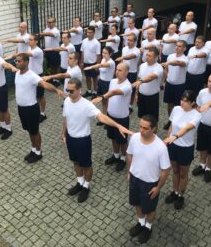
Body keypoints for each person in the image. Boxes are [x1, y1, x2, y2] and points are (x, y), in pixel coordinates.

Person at [62, 78, 132, 203]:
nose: (69, 93)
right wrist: (64, 133)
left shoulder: (87, 105)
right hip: (71, 138)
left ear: (79, 90)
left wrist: (117, 125)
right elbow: (65, 118)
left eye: (71, 91)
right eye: (67, 90)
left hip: (83, 140)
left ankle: (86, 186)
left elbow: (102, 117)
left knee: (86, 165)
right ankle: (80, 182)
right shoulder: (67, 101)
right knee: (76, 162)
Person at [127, 115, 171, 244]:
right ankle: (141, 223)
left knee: (150, 209)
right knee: (137, 203)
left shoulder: (160, 148)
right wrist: (129, 172)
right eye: (140, 126)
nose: (141, 130)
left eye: (145, 128)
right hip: (135, 178)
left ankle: (148, 227)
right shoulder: (134, 138)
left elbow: (166, 170)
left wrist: (158, 187)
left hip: (150, 183)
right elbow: (129, 155)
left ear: (154, 129)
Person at [14, 53, 65, 163]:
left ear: (26, 62)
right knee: (29, 131)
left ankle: (38, 152)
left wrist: (57, 90)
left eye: (19, 61)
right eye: (16, 61)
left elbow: (45, 84)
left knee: (34, 131)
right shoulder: (17, 73)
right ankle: (33, 149)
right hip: (21, 108)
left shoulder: (32, 75)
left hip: (31, 109)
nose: (17, 63)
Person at [163, 90, 201, 210]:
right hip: (173, 145)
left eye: (186, 101)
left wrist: (175, 136)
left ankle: (180, 195)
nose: (182, 103)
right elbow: (172, 126)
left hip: (186, 148)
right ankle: (174, 191)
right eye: (182, 100)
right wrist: (168, 138)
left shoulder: (196, 115)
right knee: (175, 170)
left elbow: (187, 128)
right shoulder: (176, 109)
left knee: (183, 173)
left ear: (192, 103)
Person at [92, 63, 132, 172]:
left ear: (126, 72)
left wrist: (101, 97)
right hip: (111, 116)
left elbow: (114, 92)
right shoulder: (113, 81)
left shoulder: (127, 86)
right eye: (117, 70)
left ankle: (123, 158)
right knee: (113, 138)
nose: (117, 72)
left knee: (122, 141)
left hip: (122, 118)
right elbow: (110, 96)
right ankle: (115, 155)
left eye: (120, 70)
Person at [6, 35, 48, 122]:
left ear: (36, 41)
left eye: (31, 40)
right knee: (34, 96)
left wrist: (13, 56)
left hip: (37, 75)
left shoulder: (38, 51)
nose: (29, 41)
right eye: (29, 40)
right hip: (29, 76)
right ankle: (36, 112)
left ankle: (43, 113)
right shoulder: (29, 48)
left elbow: (26, 54)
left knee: (40, 96)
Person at [84, 46, 115, 124]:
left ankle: (108, 119)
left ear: (110, 54)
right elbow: (100, 70)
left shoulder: (111, 62)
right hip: (101, 82)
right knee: (103, 101)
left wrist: (91, 67)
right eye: (102, 52)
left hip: (107, 83)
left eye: (105, 53)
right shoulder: (103, 59)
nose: (103, 54)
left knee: (107, 101)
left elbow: (101, 66)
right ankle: (104, 117)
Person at [162, 41, 189, 130]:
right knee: (169, 104)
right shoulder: (170, 56)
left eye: (180, 46)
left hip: (179, 86)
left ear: (184, 48)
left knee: (178, 106)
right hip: (169, 84)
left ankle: (177, 122)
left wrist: (169, 63)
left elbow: (178, 63)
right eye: (176, 46)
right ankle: (170, 121)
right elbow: (166, 70)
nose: (177, 47)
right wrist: (164, 81)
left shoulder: (185, 59)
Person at [132, 46, 163, 122]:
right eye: (147, 55)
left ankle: (153, 133)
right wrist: (136, 94)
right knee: (142, 117)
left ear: (155, 57)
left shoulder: (158, 68)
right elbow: (139, 80)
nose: (147, 57)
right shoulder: (142, 66)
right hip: (142, 96)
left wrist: (141, 81)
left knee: (153, 119)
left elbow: (151, 77)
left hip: (152, 97)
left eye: (149, 56)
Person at [116, 33, 140, 110]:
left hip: (132, 72)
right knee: (122, 87)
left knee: (131, 90)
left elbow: (131, 56)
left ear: (135, 42)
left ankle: (130, 106)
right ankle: (122, 102)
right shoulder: (124, 49)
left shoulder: (137, 50)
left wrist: (122, 57)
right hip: (123, 72)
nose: (128, 42)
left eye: (131, 40)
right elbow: (122, 61)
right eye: (128, 40)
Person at [38, 17, 61, 83]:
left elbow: (51, 34)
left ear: (54, 23)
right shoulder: (46, 29)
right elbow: (43, 36)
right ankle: (52, 78)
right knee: (49, 66)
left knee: (55, 66)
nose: (49, 24)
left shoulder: (56, 30)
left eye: (51, 22)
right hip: (47, 51)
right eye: (48, 22)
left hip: (54, 51)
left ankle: (57, 80)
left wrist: (42, 33)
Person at [81, 26, 101, 98]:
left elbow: (98, 55)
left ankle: (95, 92)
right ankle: (89, 91)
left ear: (94, 33)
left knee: (94, 78)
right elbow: (82, 52)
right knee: (87, 77)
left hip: (93, 63)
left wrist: (98, 65)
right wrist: (82, 62)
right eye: (87, 32)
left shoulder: (97, 43)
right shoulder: (84, 41)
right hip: (86, 63)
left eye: (90, 32)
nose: (88, 34)